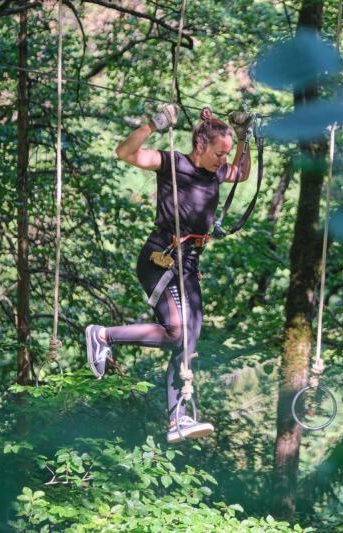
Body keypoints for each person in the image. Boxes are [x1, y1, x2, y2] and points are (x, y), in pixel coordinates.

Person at [85, 104, 252, 444]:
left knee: (187, 343)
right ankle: (102, 336)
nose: (224, 160)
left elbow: (243, 173)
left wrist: (243, 137)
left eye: (226, 154)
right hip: (160, 259)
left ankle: (178, 421)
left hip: (188, 267)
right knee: (177, 332)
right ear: (201, 146)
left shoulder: (216, 172)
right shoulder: (173, 163)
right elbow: (125, 152)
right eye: (219, 153)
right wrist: (154, 124)